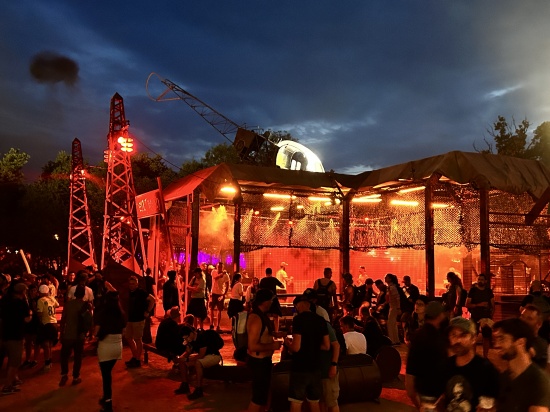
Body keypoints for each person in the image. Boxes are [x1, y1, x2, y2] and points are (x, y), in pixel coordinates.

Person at [441, 317, 499, 411]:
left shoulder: (486, 370)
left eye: (463, 335)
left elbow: (496, 403)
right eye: (453, 335)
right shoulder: (446, 366)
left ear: (473, 339)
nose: (457, 340)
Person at [284, 294, 330, 412]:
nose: (296, 309)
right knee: (314, 401)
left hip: (300, 367)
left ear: (299, 305)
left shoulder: (298, 320)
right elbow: (327, 346)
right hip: (316, 367)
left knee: (296, 401)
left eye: (295, 307)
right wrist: (313, 345)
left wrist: (287, 343)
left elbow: (296, 347)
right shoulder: (320, 320)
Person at [493, 318, 550, 411]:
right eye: (496, 340)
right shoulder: (504, 377)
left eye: (502, 339)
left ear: (521, 342)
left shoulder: (538, 381)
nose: (496, 345)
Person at [405, 301, 448, 409]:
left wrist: (416, 401)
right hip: (436, 393)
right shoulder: (440, 339)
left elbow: (411, 370)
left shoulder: (418, 336)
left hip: (423, 391)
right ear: (439, 315)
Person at [246, 288, 283, 412]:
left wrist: (275, 334)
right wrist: (272, 346)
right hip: (258, 363)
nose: (272, 303)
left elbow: (263, 333)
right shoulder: (256, 318)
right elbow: (252, 346)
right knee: (258, 398)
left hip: (264, 361)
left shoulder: (262, 315)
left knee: (263, 396)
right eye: (271, 300)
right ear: (265, 301)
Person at [95, 290, 127, 412]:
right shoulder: (121, 313)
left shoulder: (103, 313)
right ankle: (106, 398)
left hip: (105, 346)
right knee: (108, 373)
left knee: (106, 376)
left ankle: (108, 403)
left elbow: (96, 332)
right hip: (117, 346)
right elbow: (124, 332)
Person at [174, 326, 223, 400]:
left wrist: (186, 359)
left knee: (198, 363)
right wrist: (180, 359)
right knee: (182, 362)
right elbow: (188, 352)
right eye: (184, 339)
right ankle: (185, 385)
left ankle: (199, 389)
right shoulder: (190, 340)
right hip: (205, 356)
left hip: (213, 355)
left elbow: (201, 355)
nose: (186, 340)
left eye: (186, 338)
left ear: (191, 333)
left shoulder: (201, 337)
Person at [1, 283, 32, 395]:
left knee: (8, 359)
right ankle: (7, 386)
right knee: (15, 362)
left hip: (4, 334)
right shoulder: (21, 303)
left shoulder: (4, 301)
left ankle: (14, 380)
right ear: (22, 292)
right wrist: (30, 314)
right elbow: (27, 319)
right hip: (16, 335)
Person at [59, 285, 90, 386]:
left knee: (64, 356)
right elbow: (89, 321)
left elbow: (63, 320)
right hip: (79, 335)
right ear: (84, 294)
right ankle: (76, 377)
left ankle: (64, 374)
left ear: (75, 293)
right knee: (78, 357)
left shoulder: (68, 304)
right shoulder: (86, 305)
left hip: (68, 334)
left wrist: (61, 333)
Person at [125, 275, 156, 368]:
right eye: (130, 284)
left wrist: (147, 311)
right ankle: (135, 357)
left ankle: (137, 359)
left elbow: (152, 299)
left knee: (138, 339)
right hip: (130, 319)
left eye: (133, 284)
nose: (131, 285)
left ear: (137, 284)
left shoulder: (141, 292)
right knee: (128, 337)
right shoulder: (130, 292)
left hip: (138, 319)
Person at [465, 273, 495, 358]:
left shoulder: (488, 291)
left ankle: (485, 356)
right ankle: (473, 356)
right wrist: (479, 305)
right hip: (475, 315)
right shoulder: (473, 291)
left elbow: (493, 304)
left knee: (486, 337)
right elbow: (467, 304)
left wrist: (491, 315)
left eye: (482, 280)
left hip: (486, 316)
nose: (480, 281)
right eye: (478, 279)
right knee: (474, 335)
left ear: (485, 281)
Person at [36, 283, 59, 371]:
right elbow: (57, 305)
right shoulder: (52, 298)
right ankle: (50, 360)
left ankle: (47, 362)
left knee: (45, 345)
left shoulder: (40, 300)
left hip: (46, 324)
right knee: (49, 344)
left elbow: (40, 313)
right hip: (54, 323)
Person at [520, 304, 549, 370]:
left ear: (539, 324)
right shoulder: (517, 338)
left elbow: (527, 355)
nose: (523, 320)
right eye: (522, 316)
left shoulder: (541, 343)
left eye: (529, 318)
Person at [259, 267, 284, 333]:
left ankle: (267, 331)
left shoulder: (262, 280)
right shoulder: (274, 279)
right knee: (276, 316)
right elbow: (282, 286)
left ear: (266, 273)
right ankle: (276, 331)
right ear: (271, 272)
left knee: (266, 316)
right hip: (273, 299)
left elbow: (260, 289)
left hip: (265, 300)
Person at [210, 263, 229, 331]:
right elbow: (215, 278)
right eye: (218, 266)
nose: (219, 268)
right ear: (216, 267)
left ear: (223, 267)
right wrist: (221, 274)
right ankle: (211, 324)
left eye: (221, 267)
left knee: (219, 310)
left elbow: (227, 284)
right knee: (211, 309)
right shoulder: (214, 272)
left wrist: (224, 293)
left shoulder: (226, 275)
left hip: (220, 294)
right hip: (213, 293)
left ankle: (218, 325)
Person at [384, 273, 401, 345]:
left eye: (387, 277)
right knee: (393, 324)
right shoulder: (389, 287)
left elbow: (397, 298)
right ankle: (396, 340)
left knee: (390, 324)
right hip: (392, 307)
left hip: (394, 307)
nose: (385, 278)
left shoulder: (392, 288)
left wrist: (398, 308)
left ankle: (392, 340)